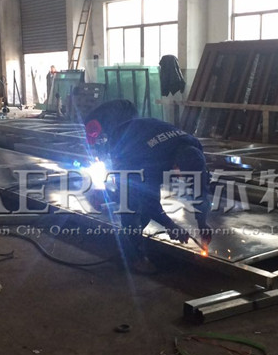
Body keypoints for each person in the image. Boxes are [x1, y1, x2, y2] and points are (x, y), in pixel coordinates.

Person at [84, 99, 212, 273]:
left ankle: (130, 240)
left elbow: (201, 189)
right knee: (131, 203)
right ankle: (133, 258)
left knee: (141, 208)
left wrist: (202, 222)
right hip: (126, 147)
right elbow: (149, 201)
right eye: (181, 175)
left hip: (143, 131)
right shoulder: (154, 161)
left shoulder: (193, 147)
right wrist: (170, 224)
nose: (180, 179)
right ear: (175, 165)